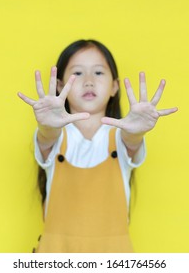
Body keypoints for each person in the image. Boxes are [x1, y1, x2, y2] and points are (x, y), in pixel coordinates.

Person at [18, 39, 177, 253]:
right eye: (77, 73)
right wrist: (45, 126)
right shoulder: (56, 135)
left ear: (114, 86)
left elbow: (132, 143)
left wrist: (137, 130)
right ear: (59, 85)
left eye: (99, 73)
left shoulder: (122, 136)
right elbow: (46, 138)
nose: (89, 81)